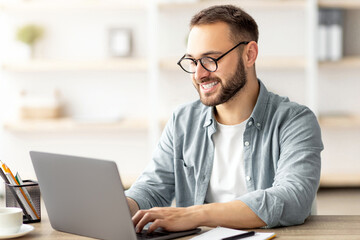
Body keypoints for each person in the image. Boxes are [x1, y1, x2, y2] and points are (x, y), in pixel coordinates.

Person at [125, 4, 323, 233]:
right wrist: (118, 207)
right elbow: (152, 189)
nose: (199, 74)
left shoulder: (295, 121)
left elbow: (292, 199)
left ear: (249, 54)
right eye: (193, 61)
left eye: (211, 59)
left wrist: (194, 215)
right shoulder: (182, 120)